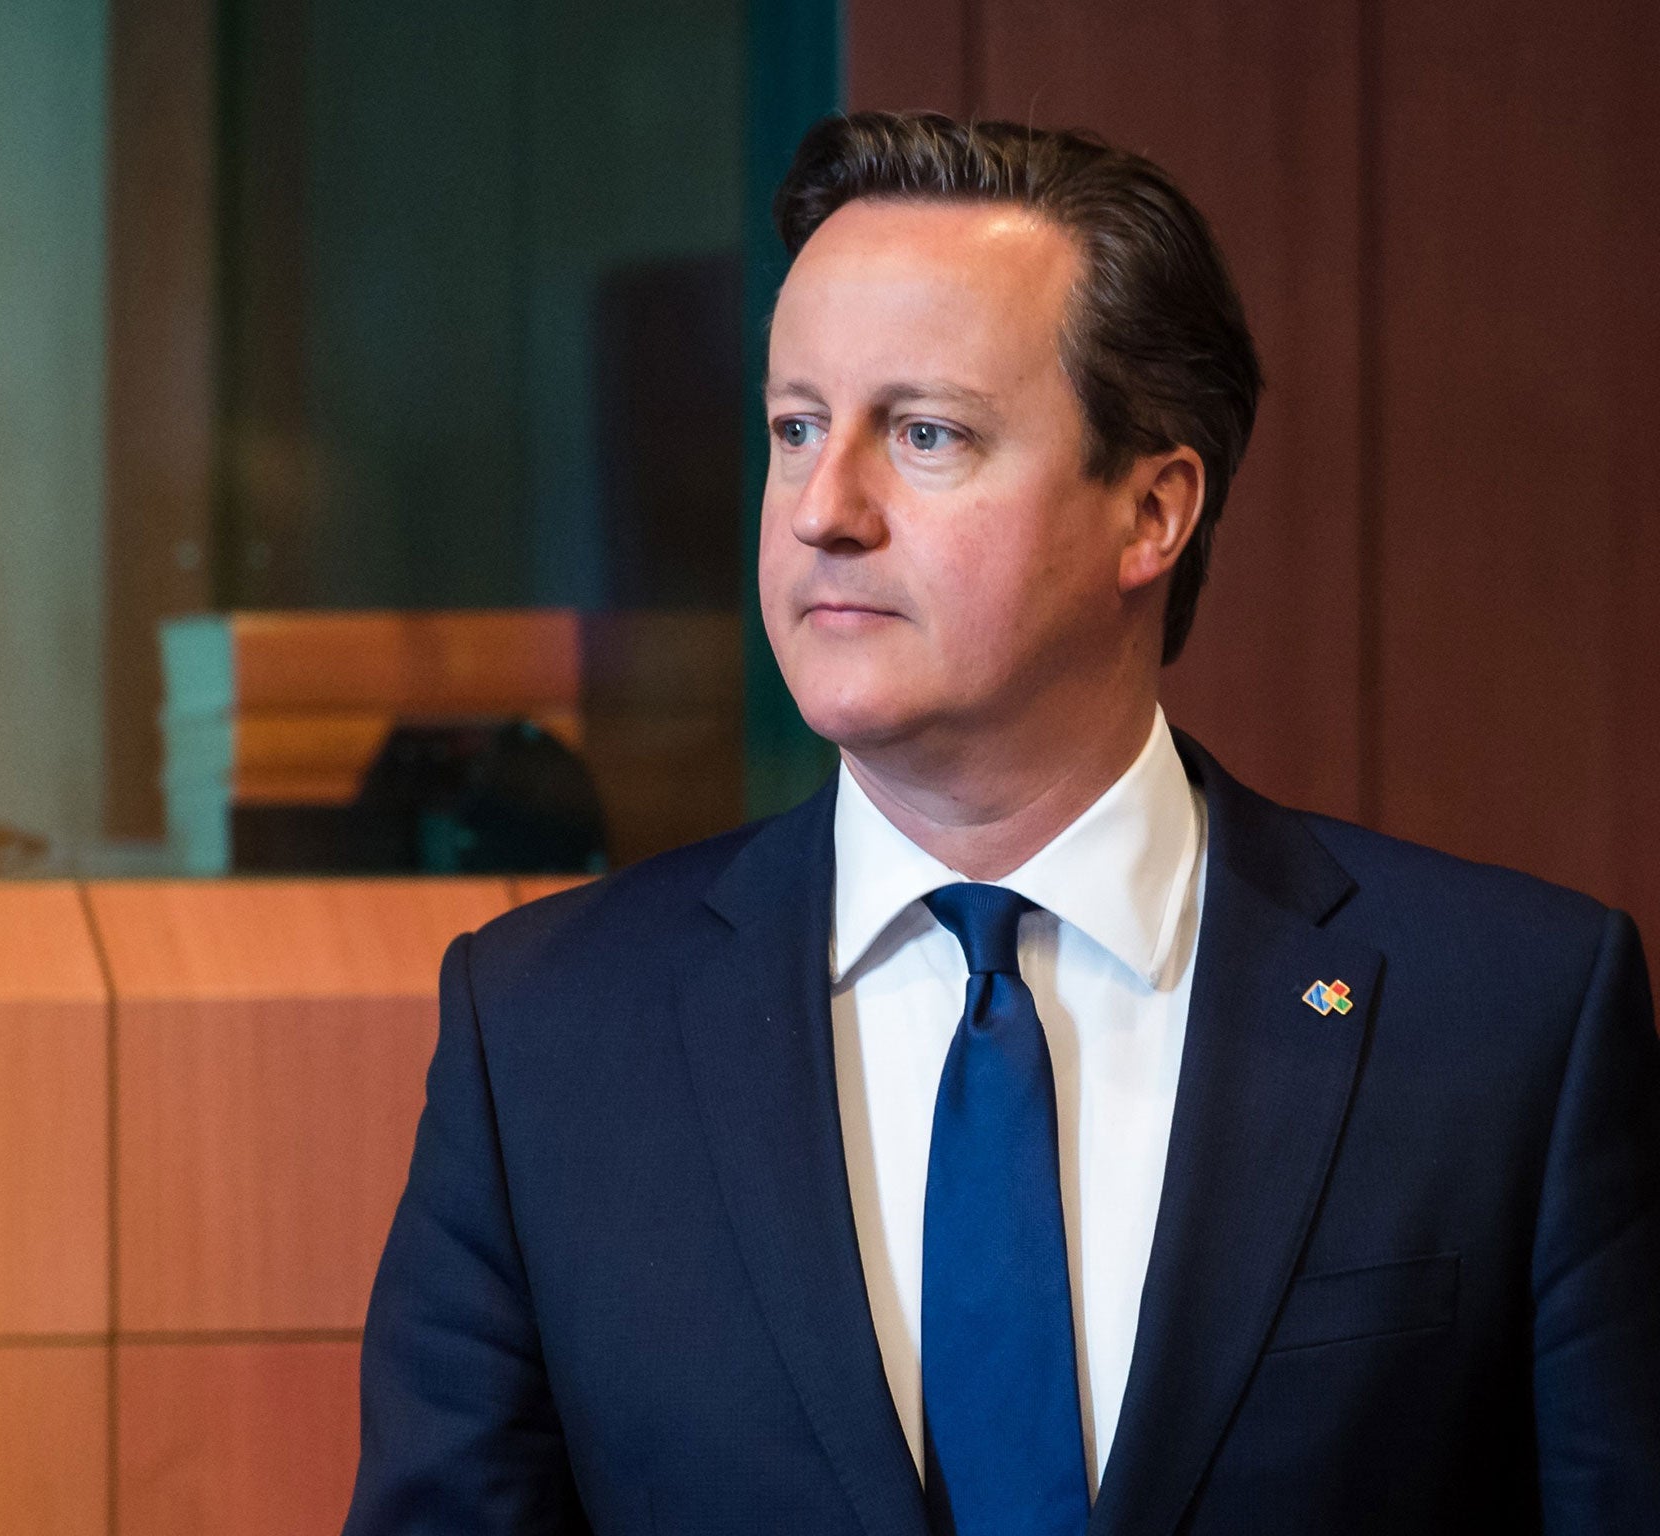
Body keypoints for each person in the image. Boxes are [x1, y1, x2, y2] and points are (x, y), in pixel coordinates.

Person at [342, 112, 1660, 1535]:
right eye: (795, 428)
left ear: (1150, 513)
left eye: (924, 434)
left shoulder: (1511, 1016)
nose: (823, 511)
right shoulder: (544, 1031)